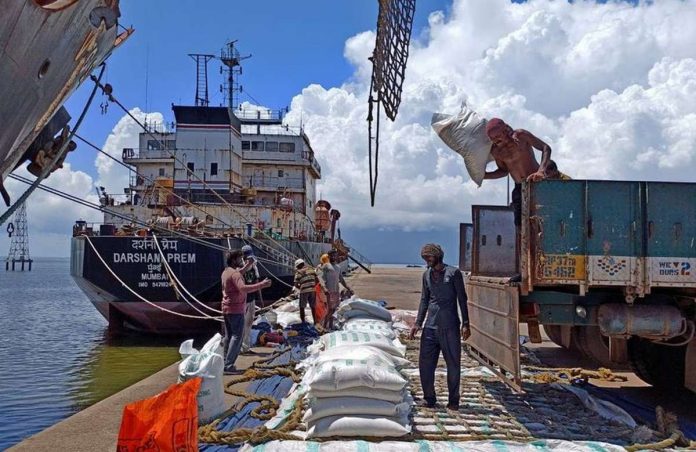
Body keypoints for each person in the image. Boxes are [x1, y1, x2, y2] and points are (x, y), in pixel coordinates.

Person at [409, 243, 470, 411]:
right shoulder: (426, 275)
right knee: (425, 364)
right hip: (430, 327)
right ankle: (429, 398)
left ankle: (453, 400)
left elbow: (462, 299)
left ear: (438, 256)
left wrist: (466, 323)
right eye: (424, 258)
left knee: (453, 364)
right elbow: (424, 300)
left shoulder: (454, 273)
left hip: (450, 326)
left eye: (428, 257)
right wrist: (418, 323)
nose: (426, 260)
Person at [483, 118, 552, 228]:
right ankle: (525, 245)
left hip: (537, 183)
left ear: (505, 131)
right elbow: (504, 171)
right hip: (519, 188)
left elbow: (545, 148)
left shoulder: (521, 136)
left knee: (543, 221)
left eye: (497, 136)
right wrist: (485, 176)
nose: (496, 140)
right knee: (521, 226)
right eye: (492, 139)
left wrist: (541, 171)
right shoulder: (496, 151)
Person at [221, 250, 271, 374]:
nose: (241, 260)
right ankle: (229, 365)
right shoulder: (235, 275)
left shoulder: (226, 272)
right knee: (238, 336)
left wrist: (248, 265)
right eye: (239, 258)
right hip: (236, 309)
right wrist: (261, 285)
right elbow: (242, 288)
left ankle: (224, 362)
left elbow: (237, 274)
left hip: (226, 308)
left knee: (228, 336)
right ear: (234, 260)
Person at [317, 250, 352, 330]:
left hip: (336, 291)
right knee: (329, 309)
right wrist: (324, 288)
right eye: (331, 256)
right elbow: (321, 278)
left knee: (334, 310)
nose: (333, 257)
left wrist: (348, 287)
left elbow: (341, 279)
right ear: (328, 257)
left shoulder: (338, 267)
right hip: (329, 291)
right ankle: (324, 326)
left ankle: (330, 325)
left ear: (337, 256)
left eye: (335, 255)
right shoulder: (326, 266)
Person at [240, 245, 263, 354]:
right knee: (241, 324)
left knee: (249, 323)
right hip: (242, 300)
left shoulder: (254, 267)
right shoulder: (240, 267)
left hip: (252, 299)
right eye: (247, 258)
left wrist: (261, 299)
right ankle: (239, 347)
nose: (249, 260)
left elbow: (257, 282)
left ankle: (246, 346)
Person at [294, 259, 318, 324]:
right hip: (313, 290)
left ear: (298, 266)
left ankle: (303, 322)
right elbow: (317, 279)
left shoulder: (298, 273)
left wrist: (301, 287)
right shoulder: (311, 270)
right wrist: (312, 285)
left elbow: (296, 285)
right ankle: (315, 322)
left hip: (304, 291)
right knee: (313, 307)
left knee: (302, 307)